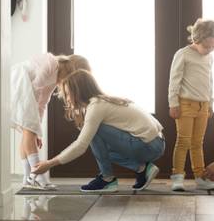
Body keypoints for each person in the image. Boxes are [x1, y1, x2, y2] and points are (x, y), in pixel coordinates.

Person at [32, 69, 165, 192]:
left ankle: (107, 179)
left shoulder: (97, 106)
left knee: (94, 132)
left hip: (149, 146)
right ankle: (141, 168)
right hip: (156, 142)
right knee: (102, 150)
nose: (66, 99)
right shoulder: (103, 101)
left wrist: (49, 164)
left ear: (78, 91)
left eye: (68, 94)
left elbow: (80, 146)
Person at [11, 53, 91, 190]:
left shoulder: (55, 80)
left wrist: (38, 131)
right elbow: (35, 87)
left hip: (26, 90)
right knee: (29, 130)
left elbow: (43, 102)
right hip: (19, 82)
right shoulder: (51, 62)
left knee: (28, 132)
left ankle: (27, 178)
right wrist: (34, 128)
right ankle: (38, 177)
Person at [168, 18, 214, 191]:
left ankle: (200, 177)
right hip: (185, 105)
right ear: (196, 39)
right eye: (206, 46)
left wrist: (211, 103)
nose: (209, 50)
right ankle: (177, 177)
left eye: (213, 46)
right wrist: (173, 103)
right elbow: (174, 81)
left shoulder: (209, 58)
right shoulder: (183, 54)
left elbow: (210, 81)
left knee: (198, 143)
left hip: (203, 105)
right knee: (183, 141)